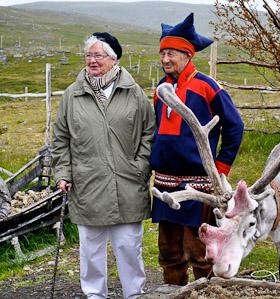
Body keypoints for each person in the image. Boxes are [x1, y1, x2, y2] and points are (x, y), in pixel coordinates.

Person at [51, 32, 156, 299]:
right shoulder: (72, 95)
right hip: (88, 185)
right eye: (89, 55)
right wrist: (63, 172)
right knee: (91, 250)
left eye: (98, 55)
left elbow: (149, 132)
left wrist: (141, 166)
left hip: (128, 184)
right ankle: (95, 296)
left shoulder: (133, 93)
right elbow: (60, 138)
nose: (92, 61)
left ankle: (134, 294)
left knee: (129, 248)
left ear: (113, 58)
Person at [150, 13, 244, 286]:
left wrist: (221, 167)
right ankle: (173, 292)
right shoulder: (161, 90)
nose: (166, 59)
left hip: (198, 186)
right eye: (163, 53)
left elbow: (235, 126)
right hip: (165, 183)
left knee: (199, 252)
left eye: (172, 53)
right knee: (169, 252)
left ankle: (207, 292)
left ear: (188, 55)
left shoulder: (207, 86)